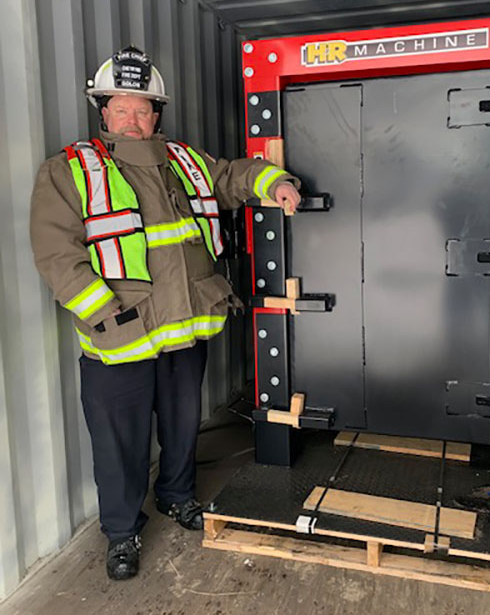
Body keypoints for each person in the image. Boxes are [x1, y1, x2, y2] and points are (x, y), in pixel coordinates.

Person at [29, 46, 300, 580]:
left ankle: (177, 496)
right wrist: (104, 314)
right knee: (120, 443)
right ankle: (122, 533)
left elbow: (232, 177)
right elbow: (57, 254)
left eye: (144, 109)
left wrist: (276, 184)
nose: (133, 120)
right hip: (120, 339)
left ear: (157, 114)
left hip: (183, 333)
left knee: (181, 429)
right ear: (102, 111)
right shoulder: (68, 170)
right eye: (122, 108)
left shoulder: (184, 160)